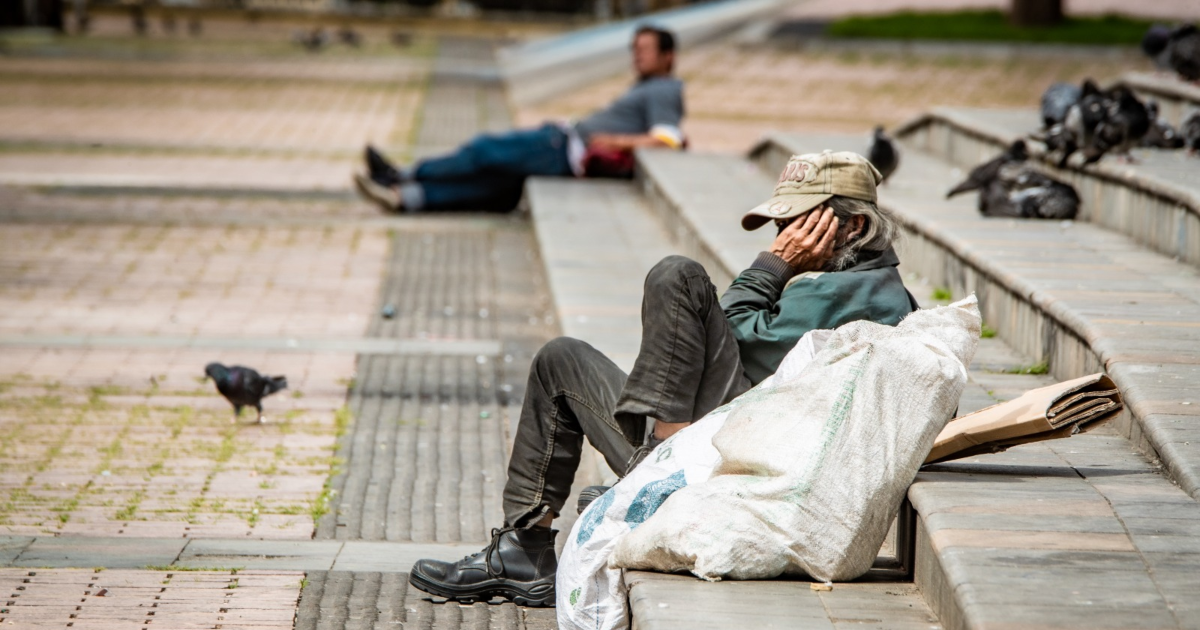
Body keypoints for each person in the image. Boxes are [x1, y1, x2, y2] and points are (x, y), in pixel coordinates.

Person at [407, 151, 920, 606]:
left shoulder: (858, 289)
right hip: (716, 432)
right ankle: (526, 548)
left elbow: (740, 333)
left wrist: (772, 268)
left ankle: (653, 466)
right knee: (561, 360)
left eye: (797, 223)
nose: (782, 238)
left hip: (731, 447)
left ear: (850, 228)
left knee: (678, 276)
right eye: (780, 228)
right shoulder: (841, 279)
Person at [354, 26, 685, 213]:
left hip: (562, 148)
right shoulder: (652, 86)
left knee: (483, 151)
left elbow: (668, 138)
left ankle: (399, 175)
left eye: (644, 49)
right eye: (635, 49)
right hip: (564, 147)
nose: (636, 55)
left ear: (667, 56)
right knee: (495, 189)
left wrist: (614, 141)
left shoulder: (664, 89)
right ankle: (406, 198)